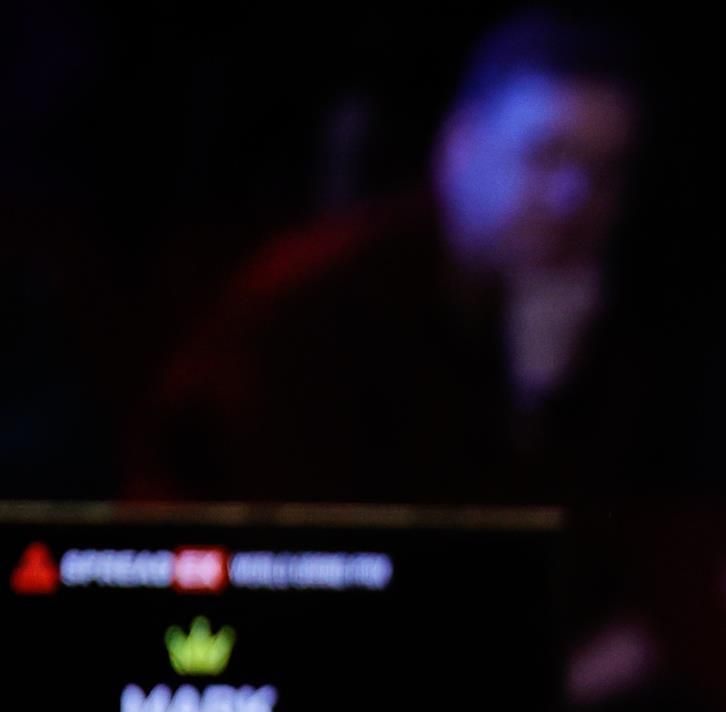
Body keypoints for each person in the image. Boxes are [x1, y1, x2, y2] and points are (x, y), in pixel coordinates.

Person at [131, 9, 647, 504]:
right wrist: (525, 416)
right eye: (546, 156)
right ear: (459, 146)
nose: (573, 198)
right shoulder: (317, 300)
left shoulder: (591, 318)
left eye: (603, 173)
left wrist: (538, 405)